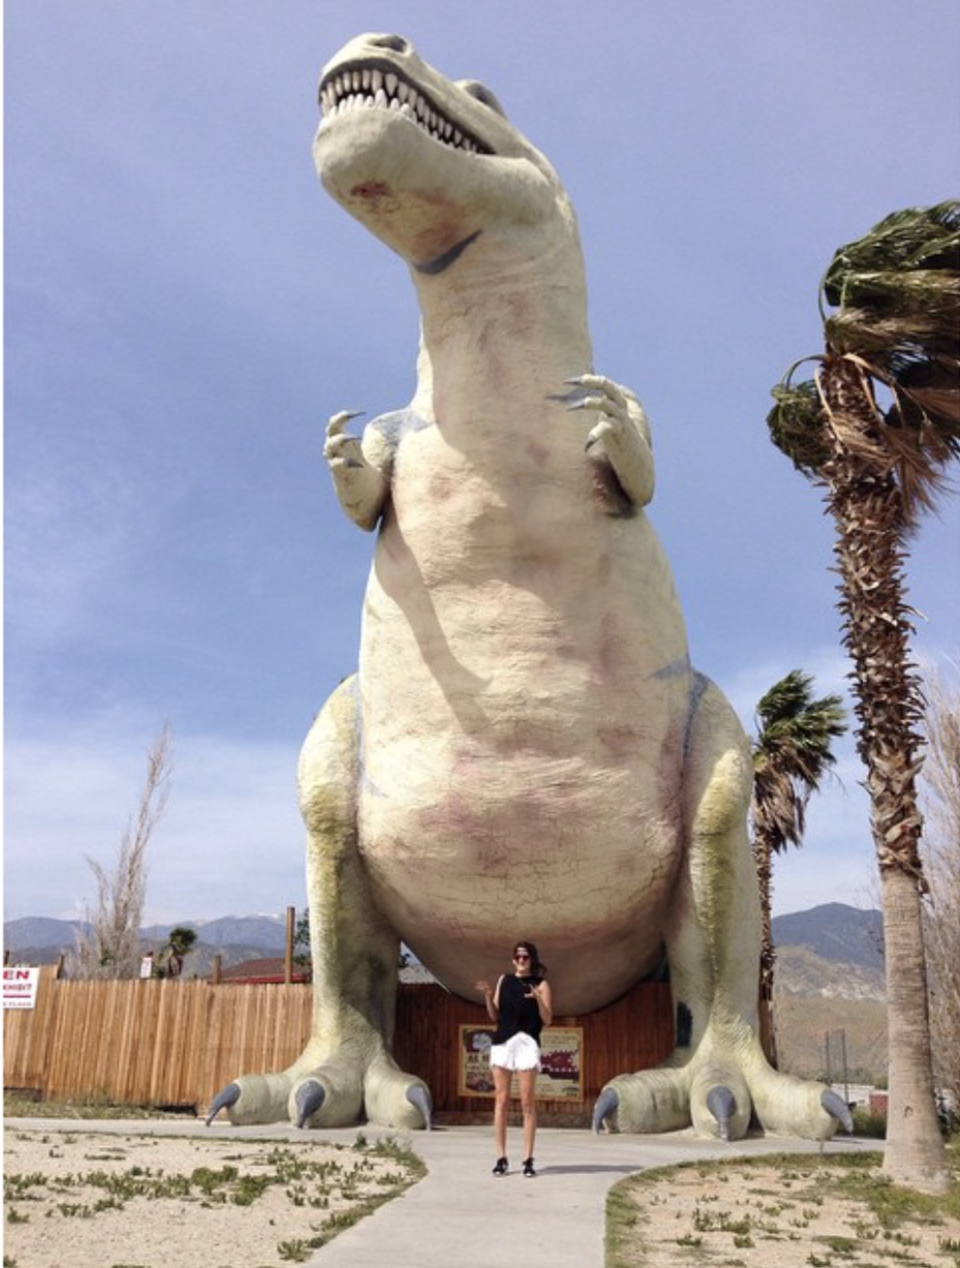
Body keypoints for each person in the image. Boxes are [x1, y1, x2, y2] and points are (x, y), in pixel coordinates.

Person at [475, 939, 553, 1178]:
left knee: (527, 1101)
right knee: (501, 1100)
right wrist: (489, 996)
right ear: (513, 959)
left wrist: (538, 998)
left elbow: (548, 1019)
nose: (521, 960)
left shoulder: (541, 984)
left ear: (532, 959)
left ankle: (528, 1159)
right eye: (517, 956)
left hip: (527, 1042)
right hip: (503, 1042)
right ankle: (501, 1158)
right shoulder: (504, 980)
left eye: (525, 957)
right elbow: (494, 1015)